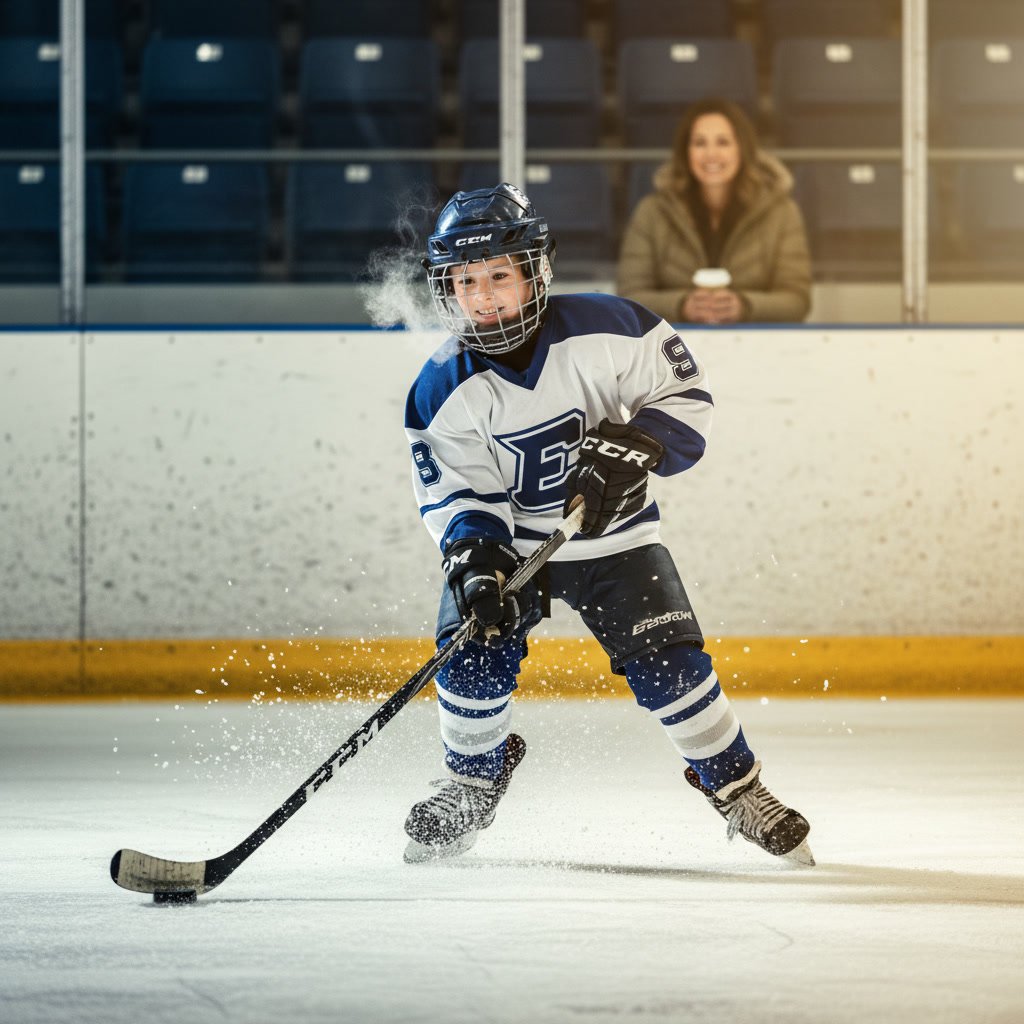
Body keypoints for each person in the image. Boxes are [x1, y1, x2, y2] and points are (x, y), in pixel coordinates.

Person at [401, 181, 813, 867]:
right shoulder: (440, 388)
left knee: (672, 665)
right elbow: (456, 495)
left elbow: (686, 397)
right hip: (512, 551)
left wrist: (638, 443)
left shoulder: (612, 328)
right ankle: (473, 779)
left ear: (535, 272)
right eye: (466, 280)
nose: (484, 295)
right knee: (472, 654)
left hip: (618, 541)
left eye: (499, 275)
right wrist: (477, 563)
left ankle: (738, 787)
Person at [617, 97, 812, 324]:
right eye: (700, 143)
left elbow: (797, 301)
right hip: (670, 348)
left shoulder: (782, 212)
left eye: (723, 142)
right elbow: (628, 297)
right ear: (685, 151)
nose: (711, 154)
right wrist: (681, 306)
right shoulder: (651, 212)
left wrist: (745, 306)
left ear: (742, 148)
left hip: (756, 346)